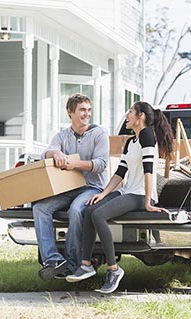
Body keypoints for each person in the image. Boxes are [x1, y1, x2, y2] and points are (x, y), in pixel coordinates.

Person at [66, 101, 174, 293]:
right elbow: (120, 172)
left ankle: (113, 269)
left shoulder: (148, 136)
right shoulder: (131, 141)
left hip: (141, 194)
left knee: (99, 215)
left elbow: (149, 171)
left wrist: (148, 202)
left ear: (141, 117)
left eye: (131, 112)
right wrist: (103, 193)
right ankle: (86, 264)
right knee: (90, 209)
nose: (127, 115)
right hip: (128, 191)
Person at [34, 93, 109, 280]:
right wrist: (56, 152)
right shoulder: (62, 136)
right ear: (70, 112)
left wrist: (74, 164)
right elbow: (46, 152)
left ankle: (73, 264)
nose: (87, 114)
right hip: (68, 189)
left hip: (93, 187)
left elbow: (101, 164)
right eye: (82, 110)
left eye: (89, 110)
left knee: (76, 210)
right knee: (40, 208)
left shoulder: (99, 134)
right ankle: (53, 260)